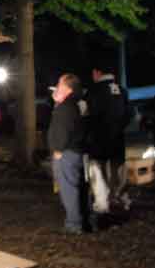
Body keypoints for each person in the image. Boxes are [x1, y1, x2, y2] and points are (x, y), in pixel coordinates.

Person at [48, 73, 93, 234]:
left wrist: (58, 150)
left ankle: (74, 224)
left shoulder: (66, 108)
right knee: (79, 187)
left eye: (59, 84)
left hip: (67, 153)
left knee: (69, 189)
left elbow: (63, 130)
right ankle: (85, 221)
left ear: (67, 88)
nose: (56, 87)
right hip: (77, 151)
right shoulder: (77, 104)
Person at [86, 64, 132, 215]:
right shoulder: (122, 90)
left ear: (97, 72)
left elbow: (88, 115)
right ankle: (121, 200)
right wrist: (119, 127)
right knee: (118, 170)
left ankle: (102, 204)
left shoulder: (94, 91)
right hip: (117, 138)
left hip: (98, 138)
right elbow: (130, 112)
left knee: (98, 171)